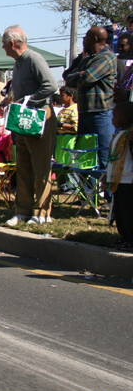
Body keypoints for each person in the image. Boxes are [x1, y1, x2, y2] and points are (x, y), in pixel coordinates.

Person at [1, 25, 59, 226]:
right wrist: (10, 101)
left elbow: (51, 85)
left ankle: (43, 212)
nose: (2, 47)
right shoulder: (18, 63)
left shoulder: (34, 58)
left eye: (3, 44)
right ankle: (22, 211)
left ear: (12, 43)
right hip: (23, 119)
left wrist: (29, 100)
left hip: (40, 117)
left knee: (41, 166)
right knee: (23, 165)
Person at [64, 26, 116, 170]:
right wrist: (78, 74)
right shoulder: (86, 58)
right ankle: (88, 191)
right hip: (85, 113)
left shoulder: (107, 56)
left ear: (95, 39)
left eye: (86, 37)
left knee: (104, 156)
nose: (83, 40)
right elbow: (67, 77)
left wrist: (79, 76)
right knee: (85, 157)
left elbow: (87, 77)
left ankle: (108, 191)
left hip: (101, 113)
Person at [106, 101, 133, 249]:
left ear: (124, 119)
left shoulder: (130, 135)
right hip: (117, 180)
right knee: (119, 212)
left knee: (129, 212)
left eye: (115, 116)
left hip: (128, 180)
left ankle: (131, 237)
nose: (112, 119)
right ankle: (124, 236)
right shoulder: (120, 133)